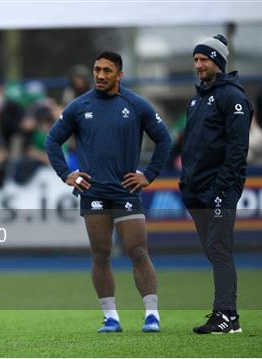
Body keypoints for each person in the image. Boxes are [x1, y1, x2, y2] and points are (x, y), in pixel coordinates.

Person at [45, 51, 171, 333]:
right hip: (94, 193)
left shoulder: (136, 104)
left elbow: (164, 140)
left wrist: (148, 175)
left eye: (107, 70)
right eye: (97, 70)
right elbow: (52, 140)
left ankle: (152, 315)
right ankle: (110, 317)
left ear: (119, 75)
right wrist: (67, 174)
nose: (100, 75)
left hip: (126, 192)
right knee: (101, 255)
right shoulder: (79, 106)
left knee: (138, 251)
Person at [180, 34, 252, 334]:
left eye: (204, 59)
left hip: (219, 188)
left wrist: (223, 186)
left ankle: (225, 315)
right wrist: (186, 182)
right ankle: (227, 315)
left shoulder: (232, 97)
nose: (198, 65)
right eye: (196, 59)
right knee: (214, 250)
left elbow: (237, 148)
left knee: (219, 248)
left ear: (218, 62)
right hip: (196, 189)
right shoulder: (197, 99)